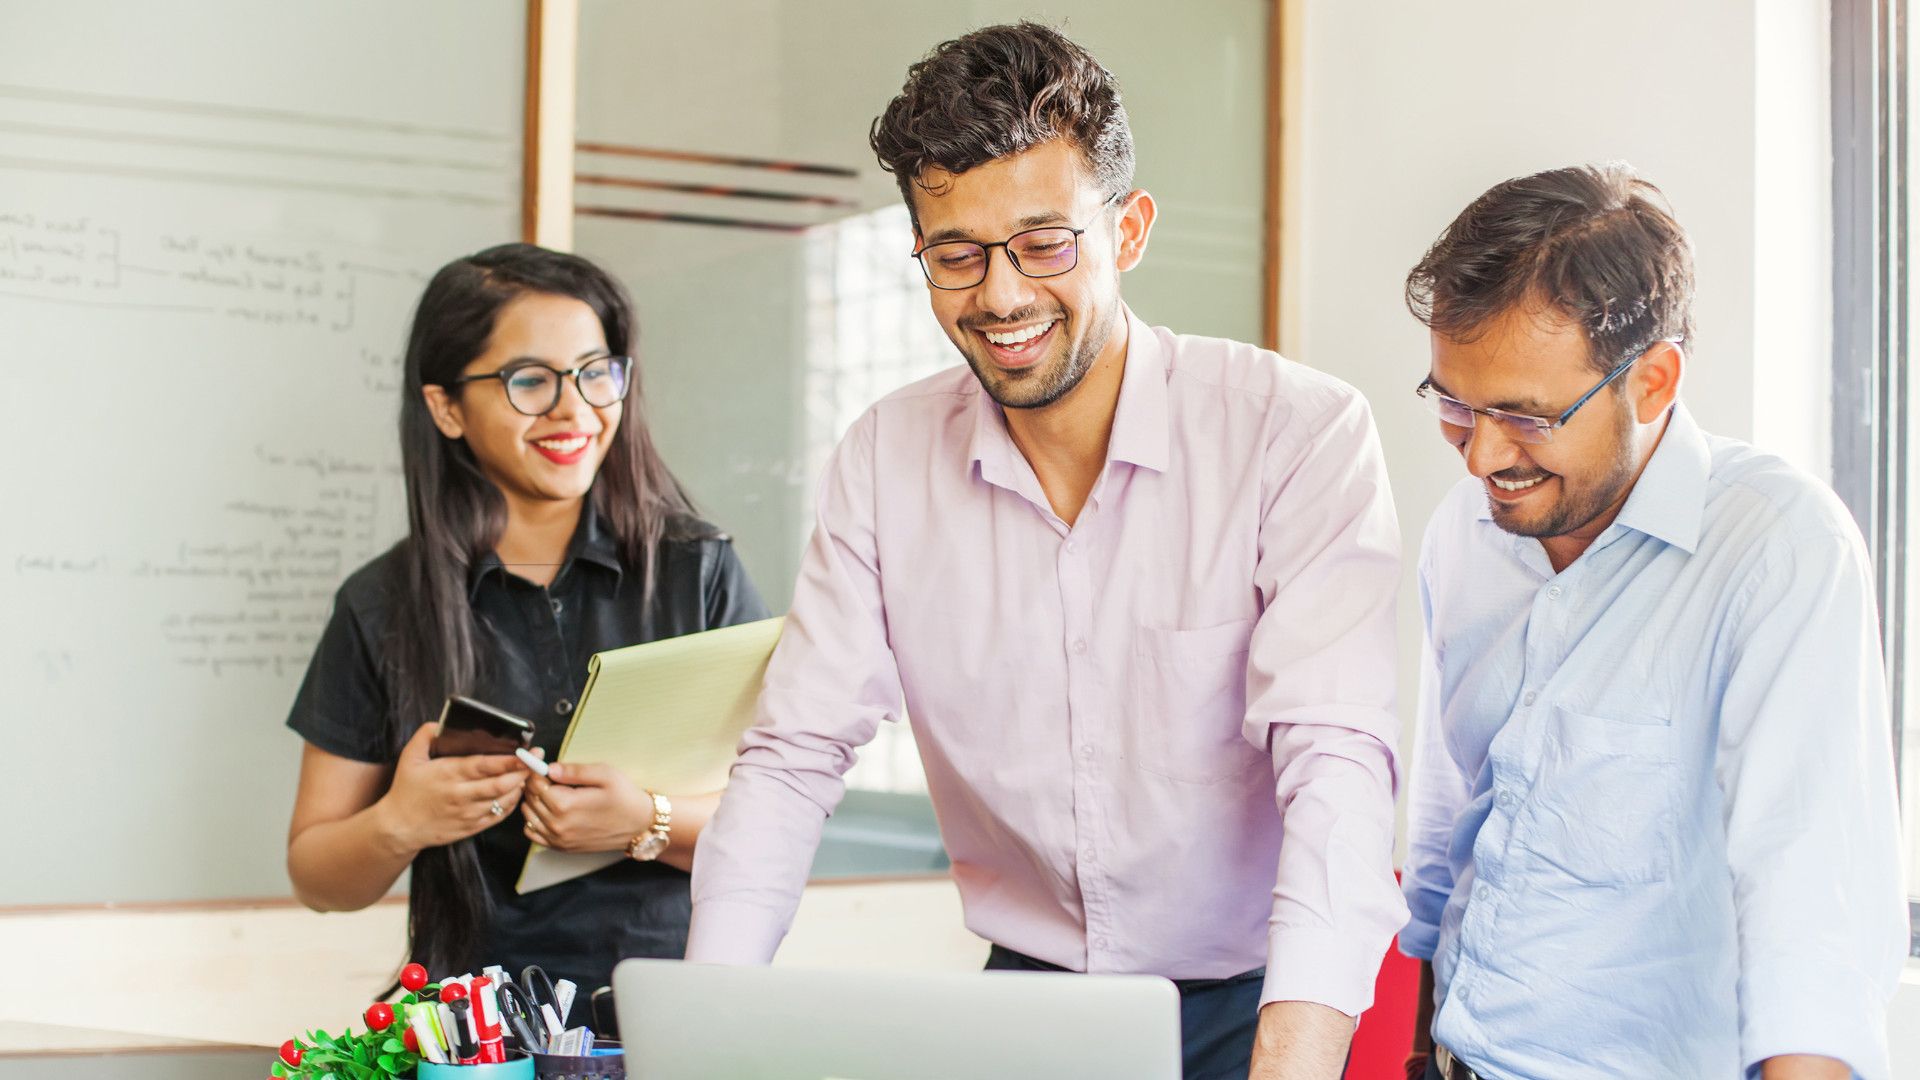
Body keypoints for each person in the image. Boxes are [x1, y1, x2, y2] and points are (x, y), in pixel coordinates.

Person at [685, 23, 1405, 1080]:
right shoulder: (887, 457)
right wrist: (706, 1031)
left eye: (1045, 243)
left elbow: (1336, 762)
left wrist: (1290, 1060)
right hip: (1028, 1004)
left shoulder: (1293, 433)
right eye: (956, 254)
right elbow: (795, 757)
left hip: (1260, 997)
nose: (1003, 295)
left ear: (1131, 229)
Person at [1398, 164, 1910, 1080]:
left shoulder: (1777, 549)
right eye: (1454, 404)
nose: (1481, 454)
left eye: (1525, 414)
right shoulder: (1462, 533)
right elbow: (1449, 822)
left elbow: (1810, 912)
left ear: (1655, 381)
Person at [284, 243, 768, 993]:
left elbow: (780, 820)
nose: (574, 408)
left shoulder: (696, 570)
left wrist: (647, 819)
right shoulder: (382, 602)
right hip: (472, 1032)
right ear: (446, 407)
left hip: (674, 1011)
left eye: (594, 372)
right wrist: (399, 823)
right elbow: (318, 876)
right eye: (530, 381)